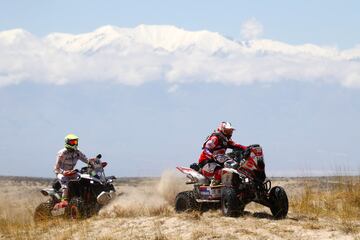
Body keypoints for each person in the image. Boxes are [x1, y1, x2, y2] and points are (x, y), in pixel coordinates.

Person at [198, 122, 247, 186]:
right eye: (228, 131)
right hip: (206, 162)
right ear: (223, 130)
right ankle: (214, 181)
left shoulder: (226, 140)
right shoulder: (215, 138)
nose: (230, 133)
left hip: (218, 161)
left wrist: (248, 148)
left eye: (230, 131)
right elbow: (206, 149)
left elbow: (237, 145)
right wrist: (213, 156)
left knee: (235, 167)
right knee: (222, 171)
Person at [53, 134, 94, 208]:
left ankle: (84, 197)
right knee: (65, 182)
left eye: (75, 142)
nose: (75, 143)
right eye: (72, 142)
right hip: (62, 173)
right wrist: (64, 172)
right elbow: (56, 168)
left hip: (72, 172)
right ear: (67, 142)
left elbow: (86, 159)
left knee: (83, 178)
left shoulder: (77, 152)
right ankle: (64, 200)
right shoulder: (62, 153)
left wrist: (93, 163)